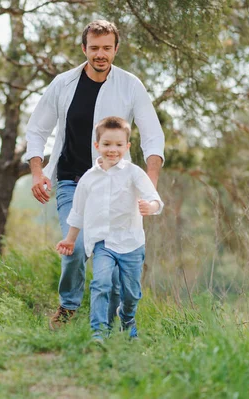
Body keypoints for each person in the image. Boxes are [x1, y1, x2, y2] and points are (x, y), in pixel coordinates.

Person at [25, 20, 165, 330]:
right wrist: (37, 172)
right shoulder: (63, 84)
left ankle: (111, 319)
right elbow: (37, 129)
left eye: (106, 48)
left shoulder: (131, 86)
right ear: (84, 48)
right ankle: (69, 306)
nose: (100, 54)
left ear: (115, 49)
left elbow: (153, 136)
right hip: (71, 183)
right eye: (94, 48)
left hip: (119, 188)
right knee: (75, 247)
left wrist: (149, 186)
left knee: (114, 255)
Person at [56, 117, 163, 339]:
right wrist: (69, 239)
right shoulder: (88, 179)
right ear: (97, 146)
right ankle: (98, 332)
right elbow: (77, 213)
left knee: (131, 293)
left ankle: (127, 318)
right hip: (102, 243)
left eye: (118, 145)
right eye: (106, 144)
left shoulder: (134, 173)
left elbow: (154, 199)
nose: (112, 150)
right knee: (100, 283)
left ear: (127, 147)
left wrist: (149, 207)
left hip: (131, 242)